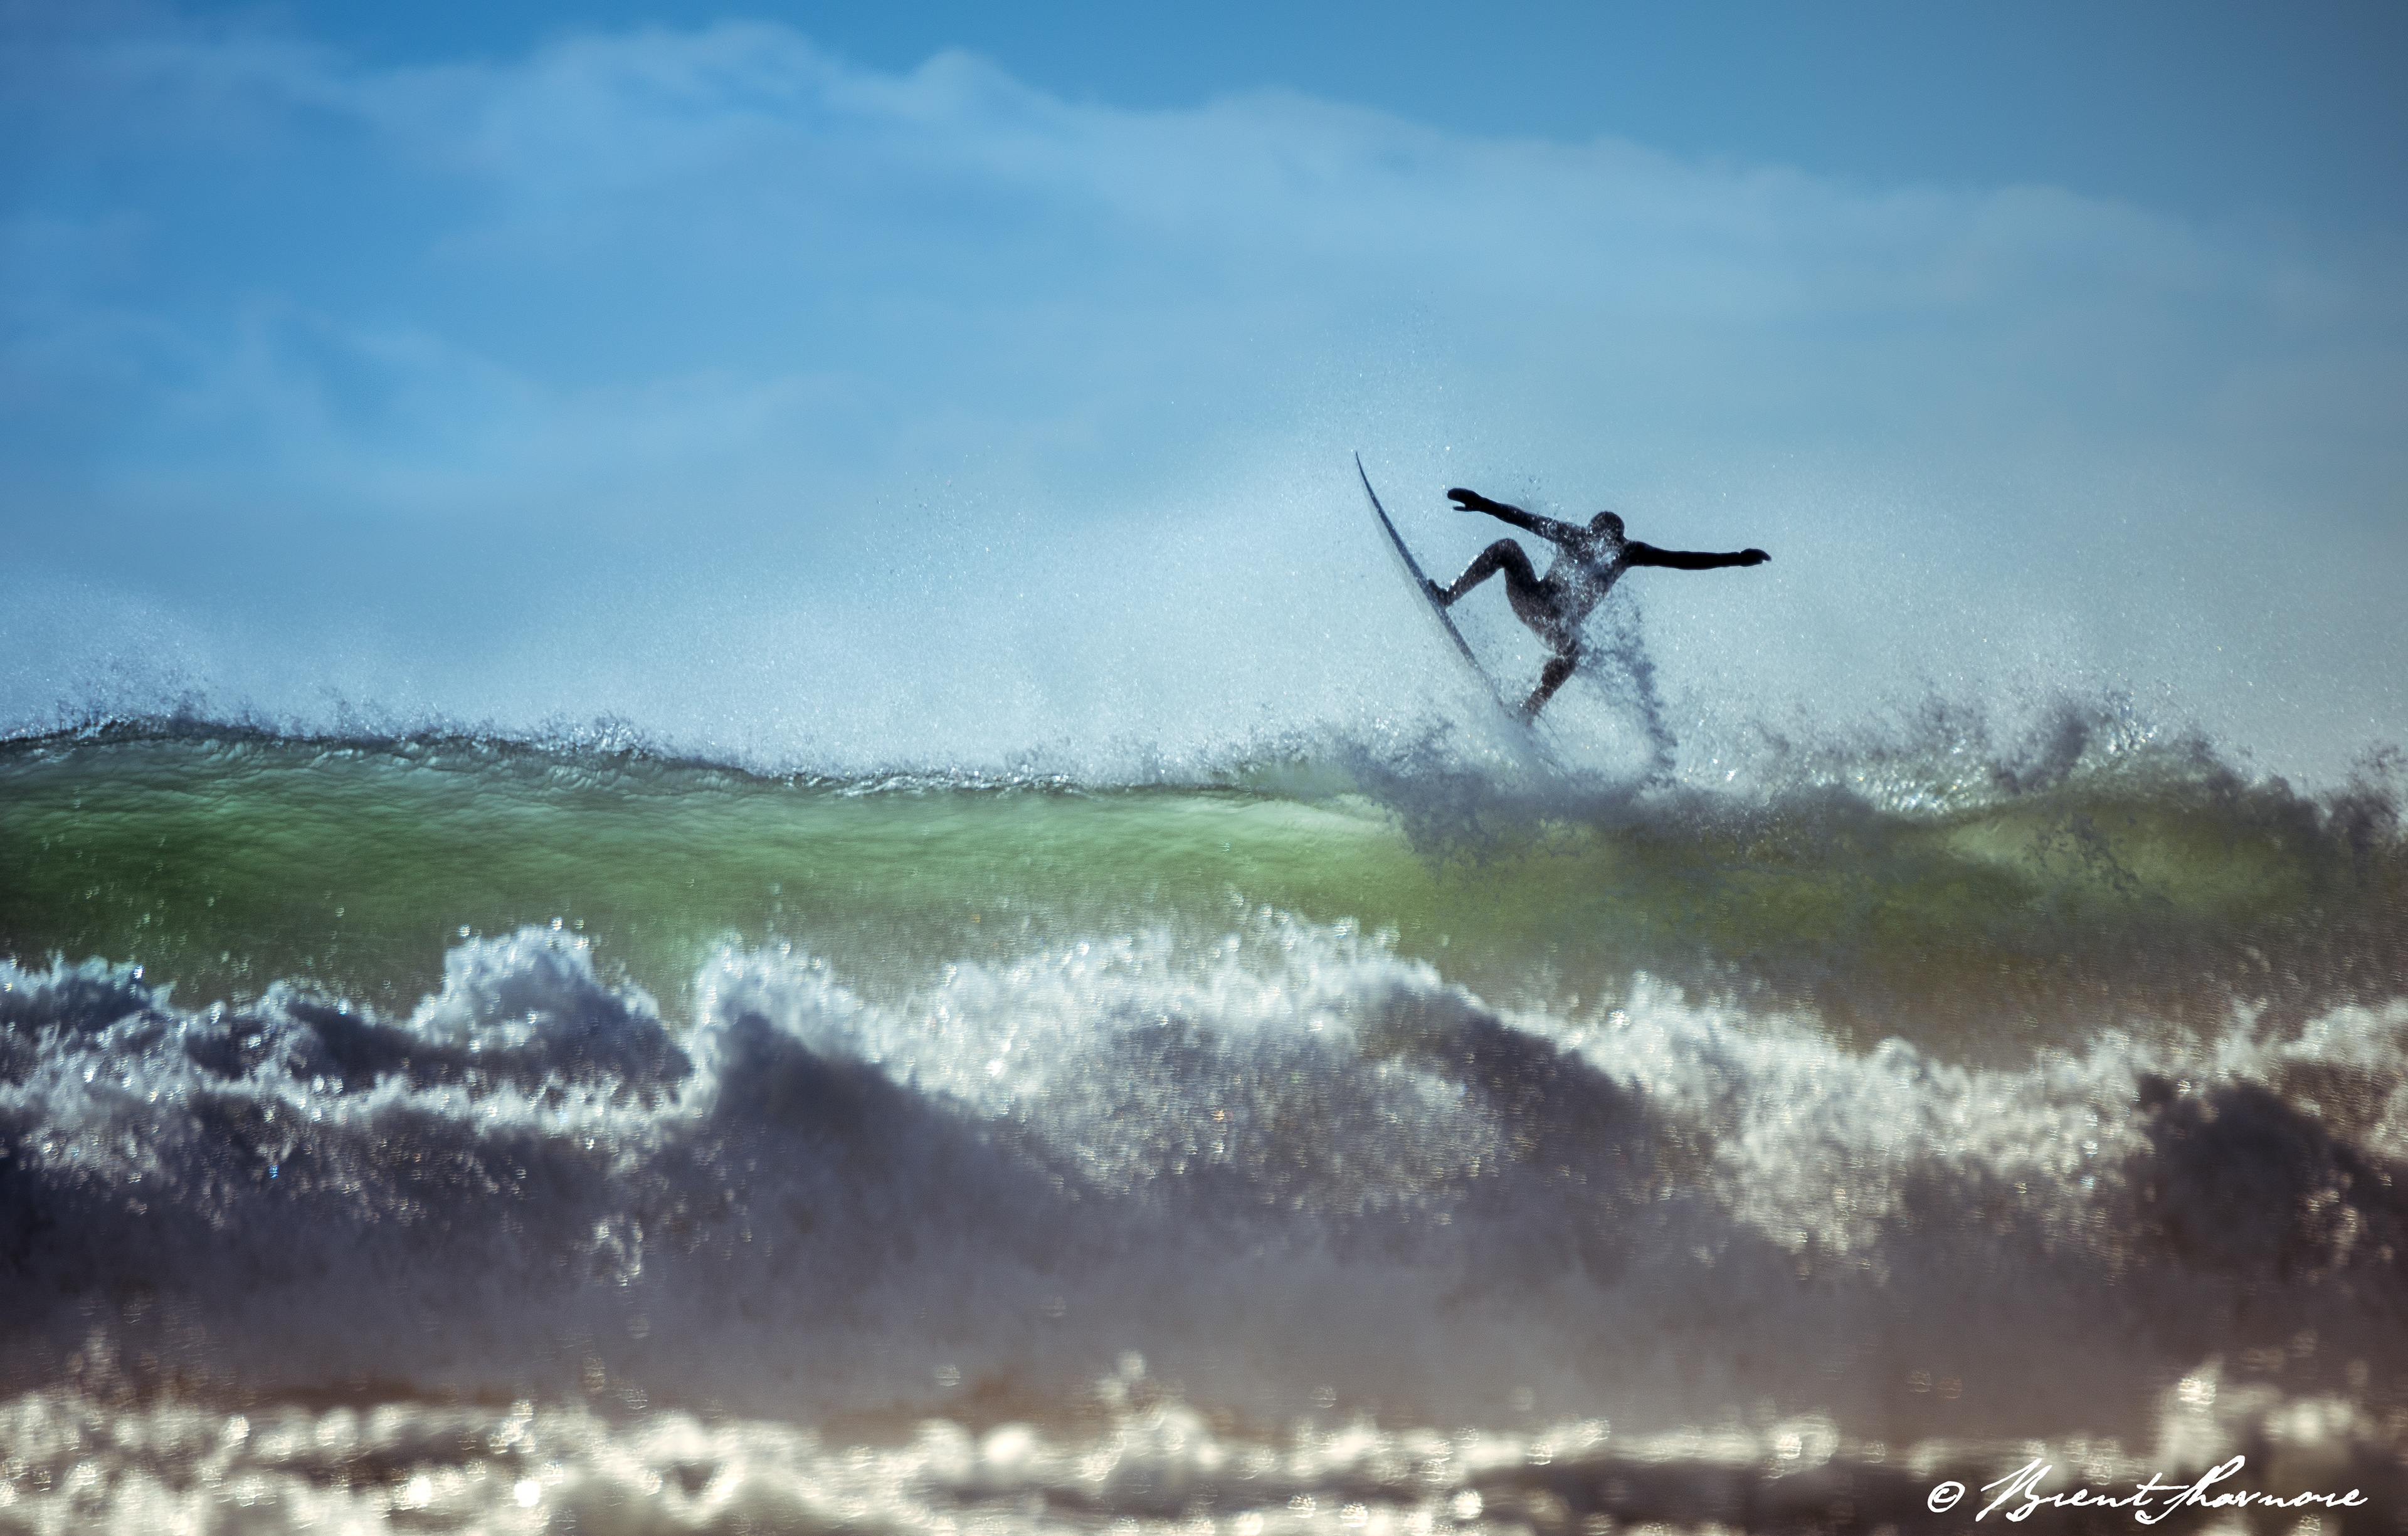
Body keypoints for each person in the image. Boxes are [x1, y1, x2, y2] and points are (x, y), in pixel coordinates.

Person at [1431, 487, 1768, 720]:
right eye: (1596, 535)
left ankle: (1530, 709)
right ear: (1589, 530)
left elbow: (1680, 559)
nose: (1598, 545)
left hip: (1559, 626)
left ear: (1618, 540)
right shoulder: (1572, 536)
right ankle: (1448, 595)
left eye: (1609, 539)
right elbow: (1525, 519)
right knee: (1507, 547)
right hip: (1532, 599)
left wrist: (1736, 559)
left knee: (1576, 650)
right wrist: (1483, 503)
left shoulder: (1628, 554)